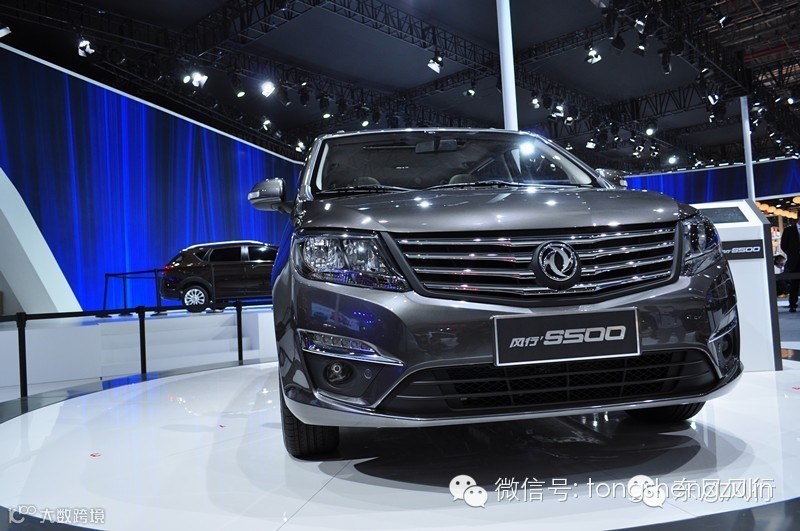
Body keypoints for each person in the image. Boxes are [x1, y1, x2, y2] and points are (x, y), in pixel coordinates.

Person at [780, 224, 800, 311]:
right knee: (794, 284)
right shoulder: (789, 230)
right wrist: (792, 254)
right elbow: (783, 245)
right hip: (794, 261)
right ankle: (792, 304)